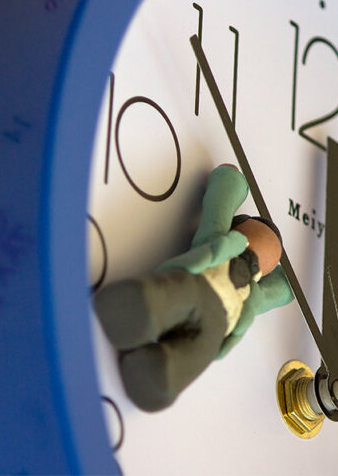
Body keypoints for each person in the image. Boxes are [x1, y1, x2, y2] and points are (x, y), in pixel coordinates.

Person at [93, 164, 293, 411]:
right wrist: (231, 183)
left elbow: (280, 292)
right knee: (173, 295)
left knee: (197, 355)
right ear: (237, 228)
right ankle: (137, 309)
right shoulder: (219, 241)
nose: (257, 258)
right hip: (198, 286)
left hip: (215, 326)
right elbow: (218, 207)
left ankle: (158, 376)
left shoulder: (253, 294)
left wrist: (289, 286)